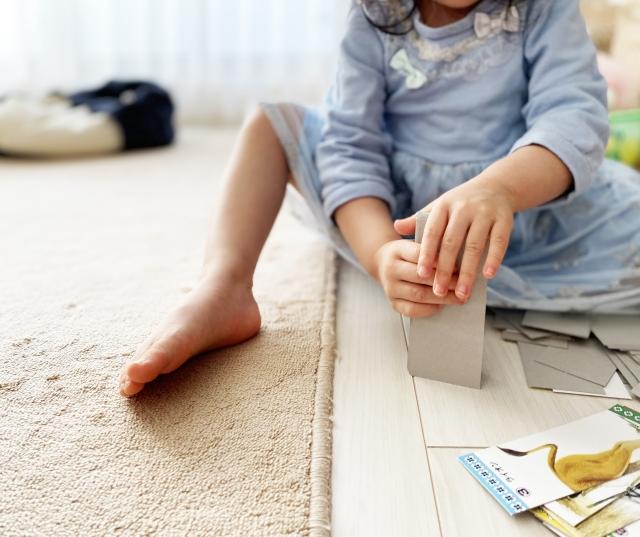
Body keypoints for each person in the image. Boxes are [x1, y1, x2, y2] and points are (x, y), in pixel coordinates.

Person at [119, 0, 640, 397]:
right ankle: (224, 288)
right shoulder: (374, 13)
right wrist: (379, 254)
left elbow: (574, 118)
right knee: (269, 125)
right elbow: (350, 146)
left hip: (526, 204)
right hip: (395, 209)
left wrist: (497, 188)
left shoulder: (543, 8)